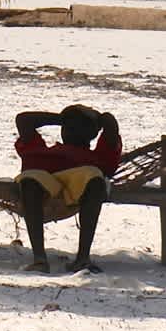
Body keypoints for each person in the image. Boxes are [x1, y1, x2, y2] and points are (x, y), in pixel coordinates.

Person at [14, 102, 122, 273]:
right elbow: (23, 120)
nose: (73, 130)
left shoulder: (98, 158)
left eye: (80, 127)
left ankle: (82, 258)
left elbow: (110, 125)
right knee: (29, 179)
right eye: (70, 126)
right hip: (46, 180)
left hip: (80, 180)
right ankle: (40, 259)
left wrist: (91, 120)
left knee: (96, 179)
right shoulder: (41, 152)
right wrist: (63, 119)